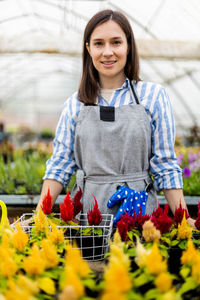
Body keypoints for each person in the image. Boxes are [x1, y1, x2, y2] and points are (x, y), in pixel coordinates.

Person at [36, 9, 195, 227]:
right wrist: (38, 218)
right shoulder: (75, 104)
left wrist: (184, 221)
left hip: (140, 216)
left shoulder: (153, 97)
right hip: (87, 220)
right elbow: (60, 165)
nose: (107, 52)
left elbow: (165, 166)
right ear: (88, 49)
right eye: (99, 43)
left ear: (128, 46)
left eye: (116, 42)